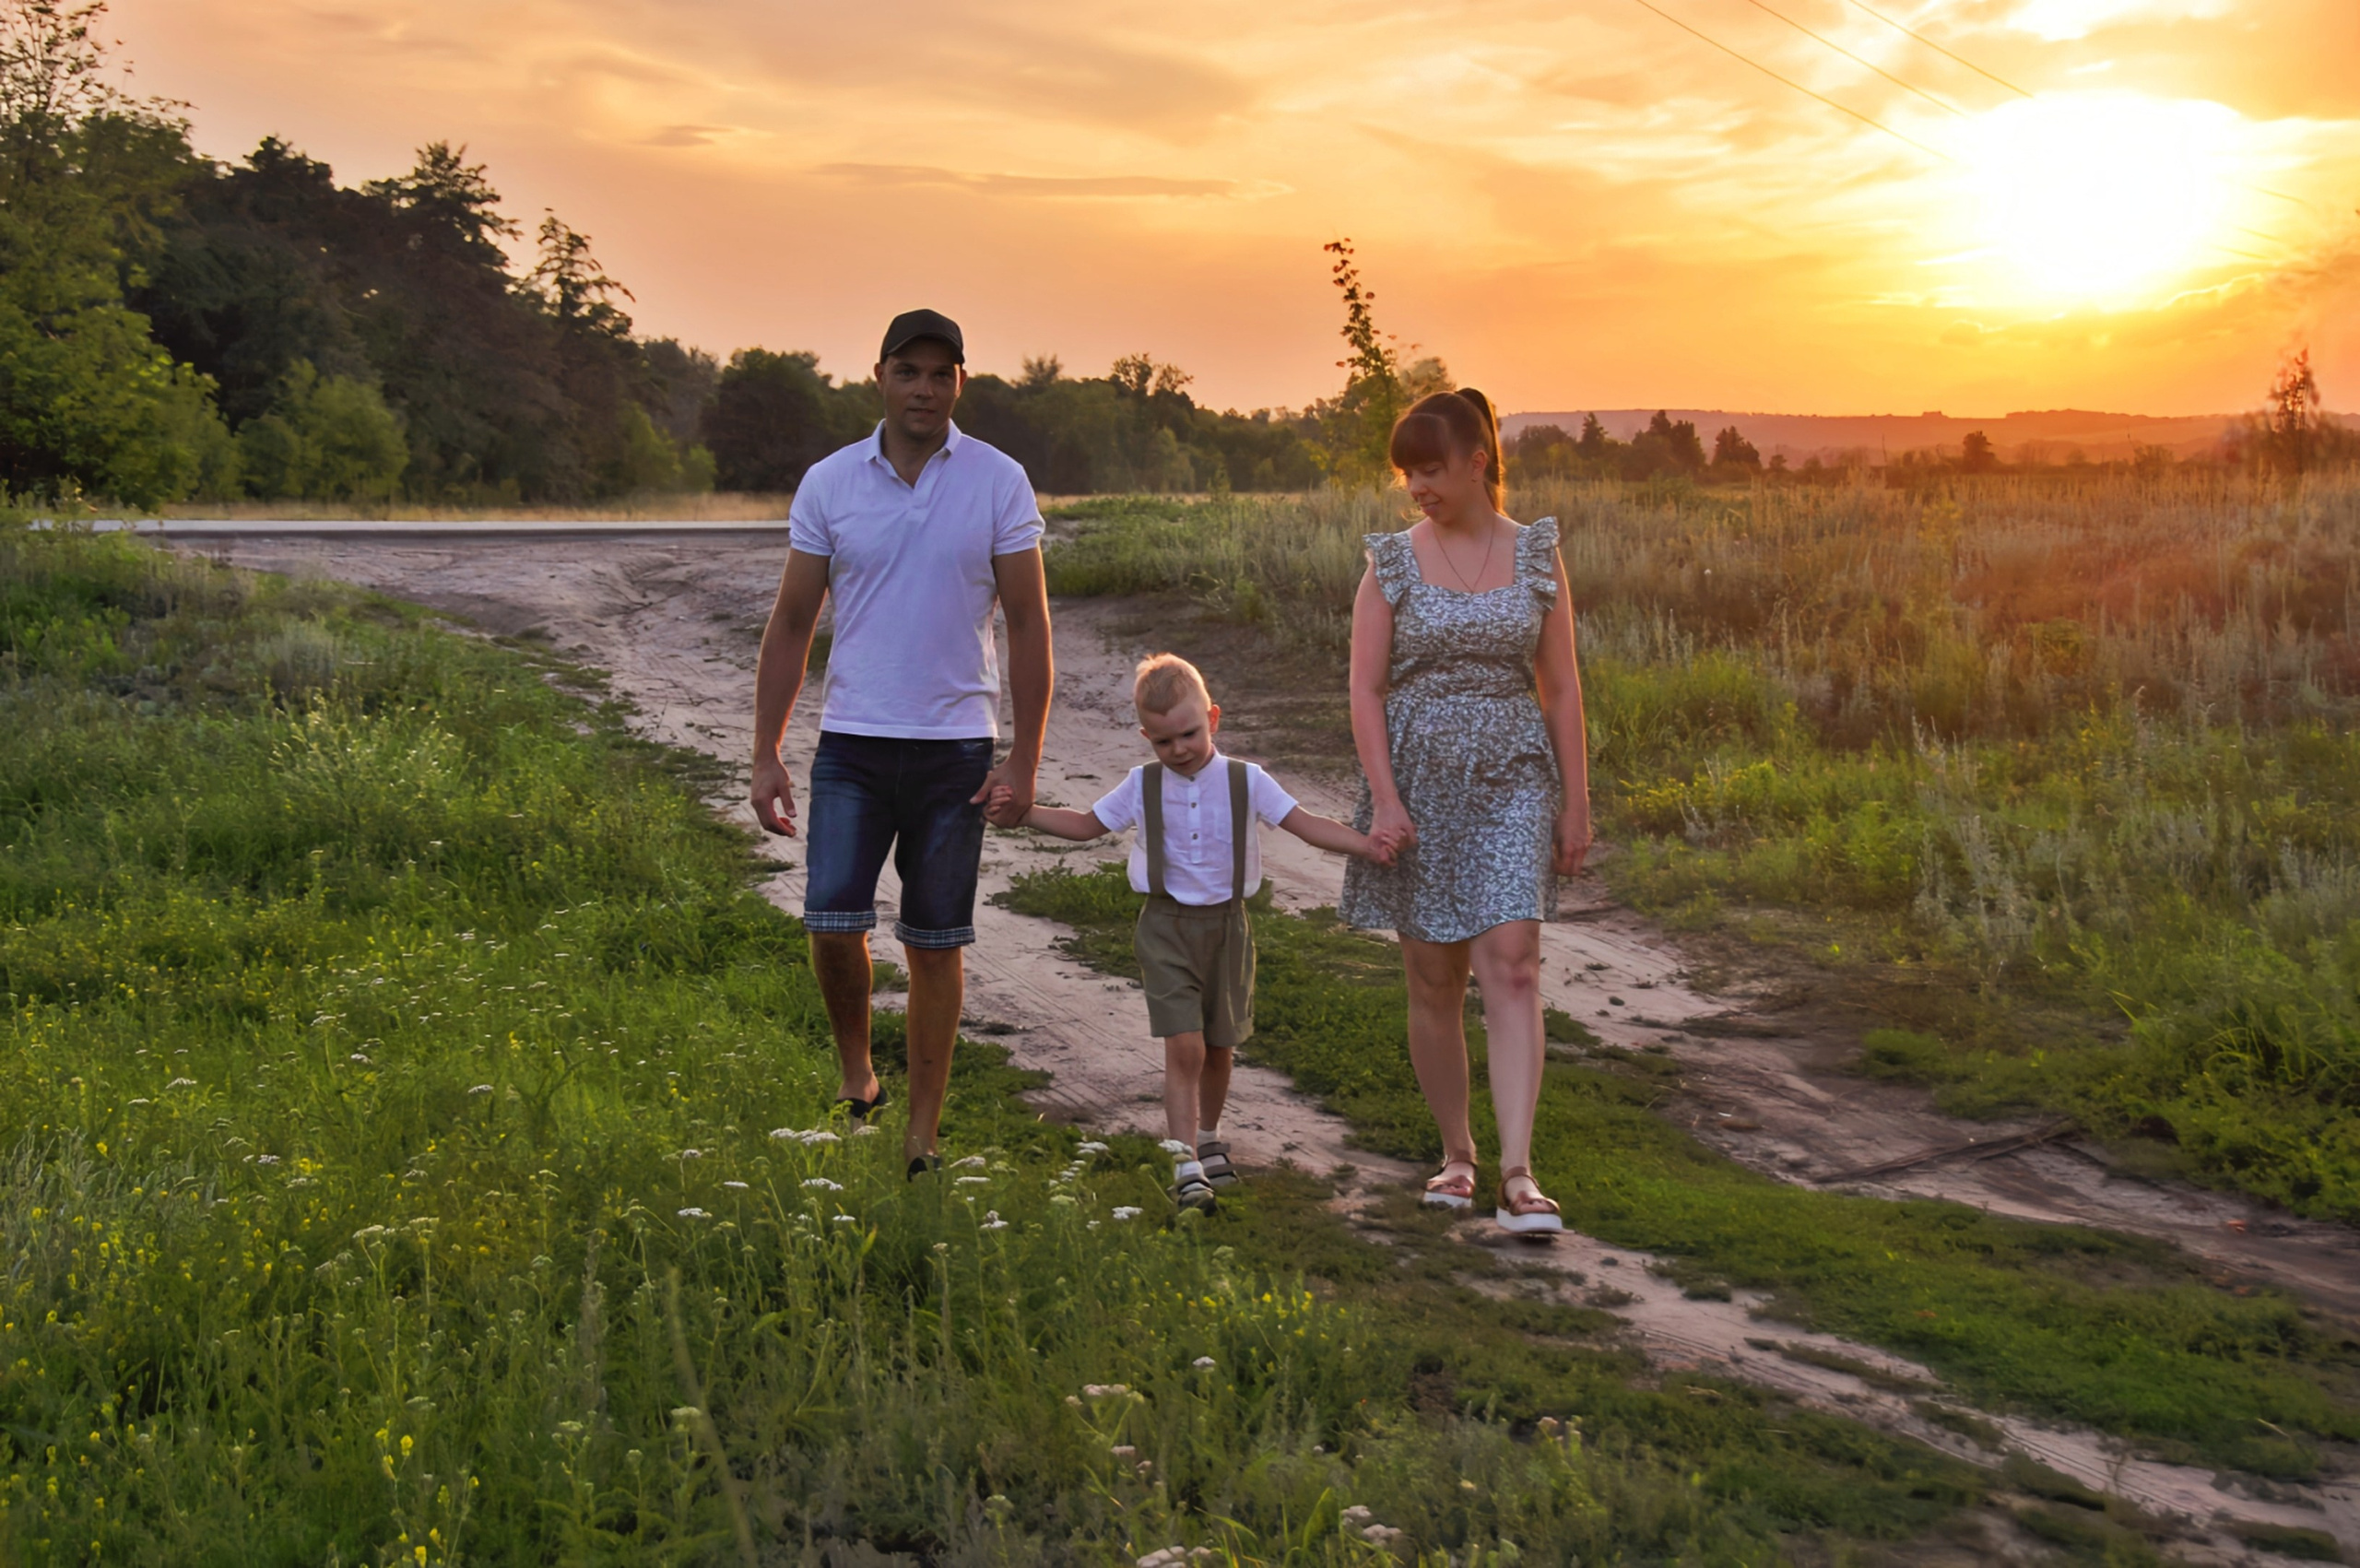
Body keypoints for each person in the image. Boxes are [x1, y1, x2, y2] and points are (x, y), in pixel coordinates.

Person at [749, 308, 1053, 1179]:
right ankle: (858, 1076)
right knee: (831, 921)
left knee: (934, 940)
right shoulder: (830, 482)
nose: (925, 388)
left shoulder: (998, 480)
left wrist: (1024, 758)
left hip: (956, 750)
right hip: (853, 742)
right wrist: (766, 751)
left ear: (961, 382)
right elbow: (792, 622)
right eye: (908, 371)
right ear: (878, 376)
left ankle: (923, 1134)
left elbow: (1029, 623)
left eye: (940, 373)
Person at [1339, 388, 1593, 1237]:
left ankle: (1519, 1174)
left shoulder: (1537, 553)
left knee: (1513, 963)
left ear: (1477, 462)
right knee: (1434, 976)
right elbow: (1365, 689)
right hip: (1418, 782)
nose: (1417, 487)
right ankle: (1458, 1154)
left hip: (1515, 778)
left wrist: (1576, 801)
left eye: (1431, 469)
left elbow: (1561, 687)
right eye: (1407, 473)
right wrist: (1384, 797)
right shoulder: (1390, 562)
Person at [1009, 654, 1389, 1210]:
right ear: (1147, 737)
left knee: (1218, 1045)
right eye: (1164, 741)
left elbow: (1305, 825)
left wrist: (1366, 844)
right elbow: (1087, 825)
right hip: (1164, 928)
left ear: (1213, 718)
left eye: (1189, 734)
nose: (1179, 749)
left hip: (1228, 928)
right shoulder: (1141, 784)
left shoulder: (1246, 780)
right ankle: (1185, 1163)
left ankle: (1208, 1139)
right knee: (1184, 1045)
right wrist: (1025, 812)